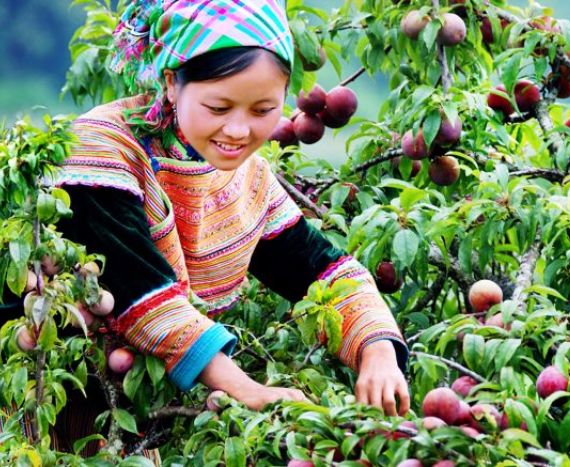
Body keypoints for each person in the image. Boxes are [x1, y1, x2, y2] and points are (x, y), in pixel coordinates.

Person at [52, 0, 410, 439]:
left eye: (262, 111)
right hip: (46, 402)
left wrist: (377, 350)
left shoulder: (246, 177)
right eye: (219, 109)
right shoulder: (99, 150)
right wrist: (249, 390)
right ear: (170, 84)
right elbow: (139, 292)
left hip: (134, 420)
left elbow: (320, 269)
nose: (239, 131)